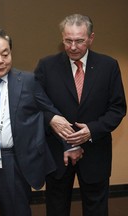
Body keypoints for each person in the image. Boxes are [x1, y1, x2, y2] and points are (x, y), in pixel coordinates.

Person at [0, 29, 66, 216]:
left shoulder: (28, 81)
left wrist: (69, 143)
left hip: (13, 163)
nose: (0, 60)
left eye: (5, 54)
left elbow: (49, 111)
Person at [34, 14, 126, 216]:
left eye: (79, 41)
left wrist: (91, 130)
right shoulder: (46, 66)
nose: (73, 47)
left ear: (91, 38)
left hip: (95, 152)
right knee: (56, 208)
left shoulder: (108, 66)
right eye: (68, 40)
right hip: (57, 153)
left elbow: (118, 108)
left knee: (96, 209)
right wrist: (51, 119)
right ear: (62, 38)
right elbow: (35, 104)